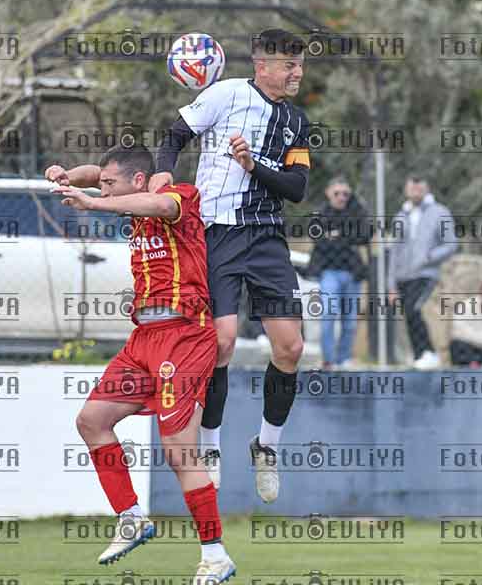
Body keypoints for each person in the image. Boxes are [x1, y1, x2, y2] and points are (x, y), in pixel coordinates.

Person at [46, 144, 235, 584]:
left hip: (184, 335)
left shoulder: (179, 197)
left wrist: (94, 202)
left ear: (136, 180)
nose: (104, 190)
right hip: (144, 339)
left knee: (179, 450)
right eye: (103, 185)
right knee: (92, 420)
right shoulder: (126, 195)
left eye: (110, 185)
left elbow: (157, 204)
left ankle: (215, 555)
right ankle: (130, 517)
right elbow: (98, 174)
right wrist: (69, 175)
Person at [149, 28, 311, 502]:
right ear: (263, 66)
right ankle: (212, 445)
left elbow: (297, 188)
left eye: (300, 65)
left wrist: (252, 165)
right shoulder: (226, 94)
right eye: (289, 65)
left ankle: (267, 446)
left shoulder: (296, 121)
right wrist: (163, 172)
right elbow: (174, 136)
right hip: (217, 233)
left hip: (266, 238)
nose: (297, 73)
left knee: (290, 348)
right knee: (221, 342)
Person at [388, 175, 458, 369]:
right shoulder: (400, 216)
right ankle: (420, 356)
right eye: (412, 188)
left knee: (413, 308)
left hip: (425, 274)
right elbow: (394, 252)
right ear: (406, 190)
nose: (415, 191)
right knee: (409, 314)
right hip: (402, 276)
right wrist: (391, 285)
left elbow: (451, 244)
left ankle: (428, 353)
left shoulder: (440, 212)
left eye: (419, 188)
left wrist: (429, 257)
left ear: (427, 189)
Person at [306, 176, 370, 370]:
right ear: (328, 193)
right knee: (329, 313)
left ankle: (344, 358)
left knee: (350, 320)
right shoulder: (320, 213)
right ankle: (328, 360)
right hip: (329, 272)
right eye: (337, 193)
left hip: (352, 272)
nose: (341, 197)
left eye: (346, 194)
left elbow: (365, 235)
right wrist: (347, 236)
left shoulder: (356, 211)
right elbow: (319, 240)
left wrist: (336, 235)